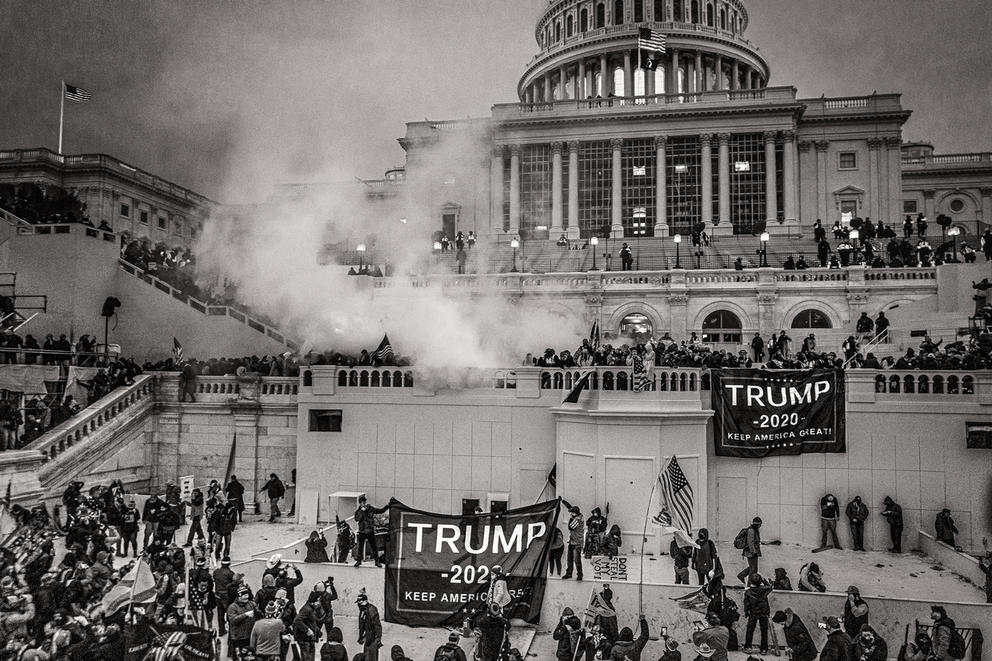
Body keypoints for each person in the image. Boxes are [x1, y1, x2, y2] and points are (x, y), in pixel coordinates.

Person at [354, 496, 389, 567]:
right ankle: (358, 561)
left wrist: (388, 506)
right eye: (362, 503)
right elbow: (357, 519)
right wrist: (361, 511)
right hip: (362, 531)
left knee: (374, 547)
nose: (363, 504)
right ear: (360, 503)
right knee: (360, 547)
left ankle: (377, 562)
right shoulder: (358, 512)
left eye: (364, 502)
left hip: (370, 531)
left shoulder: (371, 509)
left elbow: (381, 510)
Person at [742, 573, 772, 654]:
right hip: (763, 612)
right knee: (764, 631)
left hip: (753, 612)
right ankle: (763, 649)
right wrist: (763, 580)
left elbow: (746, 604)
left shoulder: (748, 592)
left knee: (750, 630)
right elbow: (770, 586)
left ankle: (748, 647)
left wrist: (746, 612)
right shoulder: (764, 589)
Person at [227, 586, 257, 660]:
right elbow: (233, 620)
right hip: (238, 638)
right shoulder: (232, 607)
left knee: (251, 657)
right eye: (244, 597)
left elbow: (258, 615)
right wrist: (245, 615)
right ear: (239, 597)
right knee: (239, 657)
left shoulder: (252, 604)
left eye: (247, 597)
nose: (246, 599)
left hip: (250, 636)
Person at [356, 593, 382, 661]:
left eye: (360, 602)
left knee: (372, 656)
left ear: (365, 601)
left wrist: (378, 638)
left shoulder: (371, 610)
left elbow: (377, 625)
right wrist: (360, 637)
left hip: (372, 637)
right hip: (367, 637)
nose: (358, 604)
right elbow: (361, 625)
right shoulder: (362, 610)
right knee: (366, 655)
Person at [737, 516, 762, 584]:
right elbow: (750, 542)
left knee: (753, 568)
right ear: (757, 524)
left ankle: (741, 575)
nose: (760, 526)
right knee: (753, 569)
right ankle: (750, 584)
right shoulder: (751, 531)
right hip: (751, 552)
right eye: (760, 524)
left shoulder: (754, 530)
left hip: (752, 552)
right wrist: (753, 551)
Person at [562, 504, 584, 580]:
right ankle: (570, 573)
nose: (571, 514)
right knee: (570, 559)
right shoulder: (580, 517)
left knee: (576, 560)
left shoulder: (577, 519)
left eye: (572, 513)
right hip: (572, 541)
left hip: (577, 543)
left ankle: (579, 574)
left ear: (575, 513)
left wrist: (571, 518)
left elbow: (570, 527)